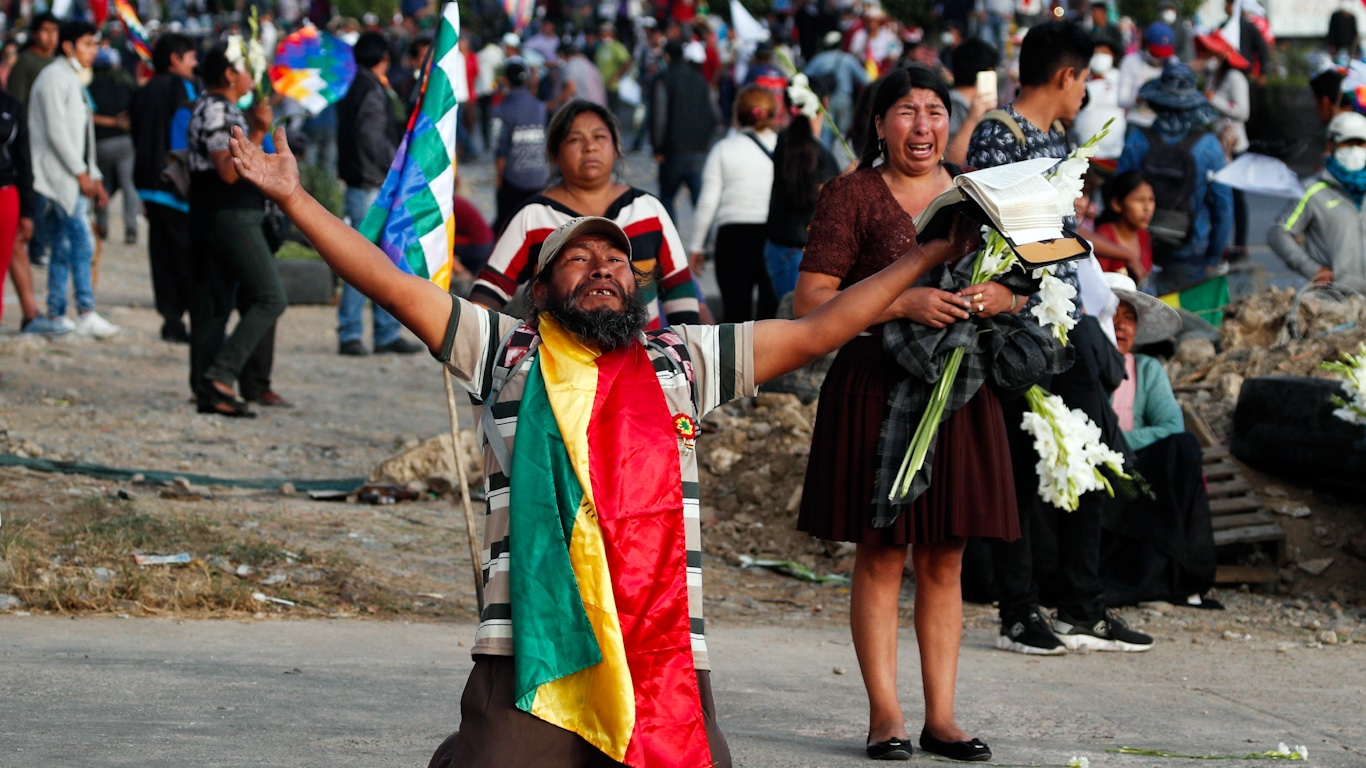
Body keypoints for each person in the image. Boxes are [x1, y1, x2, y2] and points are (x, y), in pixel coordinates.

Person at [226, 118, 966, 768]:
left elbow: (816, 332)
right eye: (579, 260)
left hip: (663, 642)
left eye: (617, 262)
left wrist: (924, 259)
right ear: (541, 290)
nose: (604, 269)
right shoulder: (504, 349)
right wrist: (295, 198)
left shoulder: (682, 360)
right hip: (531, 644)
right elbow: (389, 286)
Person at [796, 65, 1027, 763]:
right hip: (875, 386)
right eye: (905, 111)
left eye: (934, 111)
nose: (922, 126)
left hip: (956, 388)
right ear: (878, 123)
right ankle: (886, 717)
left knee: (946, 557)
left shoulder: (977, 196)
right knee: (880, 552)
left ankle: (944, 718)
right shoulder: (851, 195)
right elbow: (810, 302)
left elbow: (1022, 283)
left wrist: (996, 300)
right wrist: (900, 303)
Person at [969, 22, 1154, 656]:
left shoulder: (1058, 138)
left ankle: (1082, 604)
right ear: (1065, 76)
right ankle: (1018, 611)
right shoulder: (999, 135)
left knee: (1091, 453)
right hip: (1019, 330)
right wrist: (1073, 249)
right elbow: (1009, 236)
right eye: (1087, 79)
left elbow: (1060, 235)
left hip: (1071, 324)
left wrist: (1091, 271)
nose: (1087, 94)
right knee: (1023, 469)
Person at [471, 100, 701, 329]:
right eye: (574, 139)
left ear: (615, 148)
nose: (590, 146)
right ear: (555, 155)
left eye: (599, 137)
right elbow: (488, 292)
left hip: (643, 360)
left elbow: (679, 289)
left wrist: (683, 350)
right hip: (556, 362)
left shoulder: (648, 210)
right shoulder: (532, 217)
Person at [1101, 272, 1216, 607]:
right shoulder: (1079, 365)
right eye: (1113, 316)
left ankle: (1175, 576)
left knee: (1183, 448)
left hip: (1137, 474)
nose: (1122, 326)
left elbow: (1171, 426)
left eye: (1129, 318)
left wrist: (1116, 441)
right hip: (1091, 472)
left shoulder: (1147, 369)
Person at [186, 42, 286, 417]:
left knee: (215, 306)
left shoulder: (224, 109)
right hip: (229, 216)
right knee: (271, 297)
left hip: (221, 216)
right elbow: (229, 171)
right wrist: (258, 132)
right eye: (246, 68)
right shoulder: (215, 109)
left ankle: (208, 389)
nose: (252, 76)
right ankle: (221, 377)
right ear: (229, 74)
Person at [335, 31, 423, 357]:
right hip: (371, 185)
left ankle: (379, 332)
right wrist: (398, 165)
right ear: (383, 58)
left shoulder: (359, 86)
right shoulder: (370, 91)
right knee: (364, 262)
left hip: (365, 182)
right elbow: (372, 137)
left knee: (379, 260)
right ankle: (353, 332)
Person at [29, 20, 116, 339]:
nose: (94, 51)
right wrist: (82, 174)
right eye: (87, 44)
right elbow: (57, 133)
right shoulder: (54, 78)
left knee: (64, 247)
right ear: (69, 47)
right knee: (81, 243)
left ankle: (55, 312)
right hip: (60, 177)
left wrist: (92, 174)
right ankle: (85, 310)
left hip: (73, 176)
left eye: (94, 45)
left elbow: (82, 136)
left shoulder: (71, 78)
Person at [1116, 61, 1232, 296]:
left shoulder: (1137, 140)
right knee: (1187, 323)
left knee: (1145, 322)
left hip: (1142, 249)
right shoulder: (1208, 146)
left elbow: (1118, 194)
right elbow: (1223, 207)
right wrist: (1213, 255)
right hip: (1192, 252)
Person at [688, 86, 778, 323]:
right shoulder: (783, 147)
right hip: (774, 235)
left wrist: (697, 246)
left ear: (737, 115)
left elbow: (708, 201)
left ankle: (736, 360)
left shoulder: (723, 149)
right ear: (772, 114)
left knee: (735, 314)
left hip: (733, 237)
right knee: (770, 314)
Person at [130, 32, 198, 344]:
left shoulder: (143, 91)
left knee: (161, 255)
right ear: (175, 59)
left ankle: (171, 320)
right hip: (175, 185)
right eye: (190, 57)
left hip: (146, 184)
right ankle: (196, 317)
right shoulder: (181, 87)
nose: (195, 63)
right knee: (186, 254)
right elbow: (187, 133)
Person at [1268, 111, 1366, 293]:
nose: (1354, 150)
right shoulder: (1312, 190)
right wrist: (1311, 269)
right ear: (1332, 145)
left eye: (1360, 144)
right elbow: (1279, 233)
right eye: (1347, 143)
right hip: (1333, 303)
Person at [764, 76, 841, 300]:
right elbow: (820, 195)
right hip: (799, 251)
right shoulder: (808, 148)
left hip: (783, 246)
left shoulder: (786, 142)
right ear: (825, 103)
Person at [650, 40, 718, 224]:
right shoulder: (701, 80)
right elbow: (714, 114)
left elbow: (659, 115)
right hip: (698, 150)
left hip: (673, 151)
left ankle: (671, 244)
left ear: (667, 57)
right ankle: (703, 243)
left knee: (667, 197)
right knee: (700, 199)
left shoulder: (663, 79)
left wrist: (658, 147)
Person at [1196, 33, 1250, 260]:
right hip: (1218, 142)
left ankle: (1240, 245)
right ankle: (1221, 242)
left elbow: (1242, 112)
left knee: (1235, 198)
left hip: (1234, 145)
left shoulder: (1235, 77)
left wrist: (1213, 99)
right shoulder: (1215, 75)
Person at [490, 57, 549, 235]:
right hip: (540, 177)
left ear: (505, 80)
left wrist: (498, 177)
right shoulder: (539, 106)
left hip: (514, 179)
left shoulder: (501, 109)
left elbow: (499, 148)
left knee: (506, 224)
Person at [90, 47, 139, 245]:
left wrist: (110, 122)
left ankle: (102, 225)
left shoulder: (91, 86)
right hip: (126, 142)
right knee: (129, 185)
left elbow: (87, 116)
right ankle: (131, 228)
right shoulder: (128, 83)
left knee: (100, 183)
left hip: (100, 144)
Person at [0, 87, 38, 331]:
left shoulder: (11, 106)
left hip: (5, 195)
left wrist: (27, 211)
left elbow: (24, 161)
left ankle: (32, 314)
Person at [803, 30, 869, 136]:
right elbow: (866, 80)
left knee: (825, 134)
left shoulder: (818, 59)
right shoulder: (848, 59)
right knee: (843, 136)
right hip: (844, 99)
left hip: (825, 100)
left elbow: (803, 78)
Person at [1092, 170, 1155, 282]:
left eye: (1151, 200)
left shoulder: (1144, 236)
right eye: (1139, 200)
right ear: (1117, 204)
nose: (1148, 208)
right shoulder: (1104, 236)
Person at [944, 38, 998, 166]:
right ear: (989, 72)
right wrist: (972, 119)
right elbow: (950, 162)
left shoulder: (950, 101)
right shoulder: (952, 105)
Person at [1116, 22, 1172, 129]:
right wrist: (1138, 99)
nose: (1160, 59)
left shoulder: (1172, 64)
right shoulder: (1131, 62)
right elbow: (1121, 100)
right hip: (1137, 124)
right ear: (1146, 45)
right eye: (1156, 53)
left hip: (1162, 125)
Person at [7, 13, 60, 106]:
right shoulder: (26, 60)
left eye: (54, 30)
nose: (51, 36)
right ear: (34, 34)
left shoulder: (57, 61)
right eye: (45, 30)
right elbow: (16, 97)